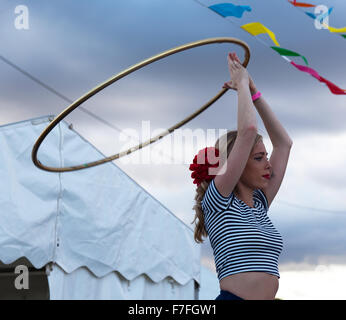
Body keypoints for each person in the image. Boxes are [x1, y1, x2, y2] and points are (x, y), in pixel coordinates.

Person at [190, 52, 293, 300]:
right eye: (258, 158)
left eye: (265, 156)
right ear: (234, 165)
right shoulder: (219, 200)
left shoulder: (260, 203)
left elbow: (284, 144)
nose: (268, 164)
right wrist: (242, 84)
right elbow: (248, 130)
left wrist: (255, 94)